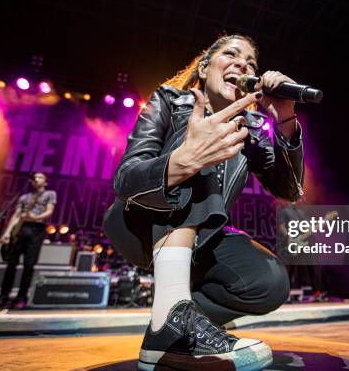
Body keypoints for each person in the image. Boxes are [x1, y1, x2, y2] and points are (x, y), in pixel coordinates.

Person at [104, 34, 304, 370]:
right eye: (231, 54)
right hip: (140, 224)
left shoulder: (252, 129)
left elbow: (290, 191)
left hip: (204, 242)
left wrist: (284, 120)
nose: (243, 64)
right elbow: (126, 179)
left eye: (251, 62)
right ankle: (173, 318)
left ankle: (170, 323)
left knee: (268, 282)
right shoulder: (169, 100)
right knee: (202, 142)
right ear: (204, 66)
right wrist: (181, 162)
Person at [0, 172, 57, 309]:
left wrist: (35, 217)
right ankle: (3, 296)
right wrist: (7, 233)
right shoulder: (24, 197)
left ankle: (21, 298)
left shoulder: (50, 194)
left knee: (29, 265)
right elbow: (16, 216)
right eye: (35, 177)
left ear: (45, 182)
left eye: (40, 177)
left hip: (37, 229)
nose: (36, 179)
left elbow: (49, 211)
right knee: (11, 264)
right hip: (21, 229)